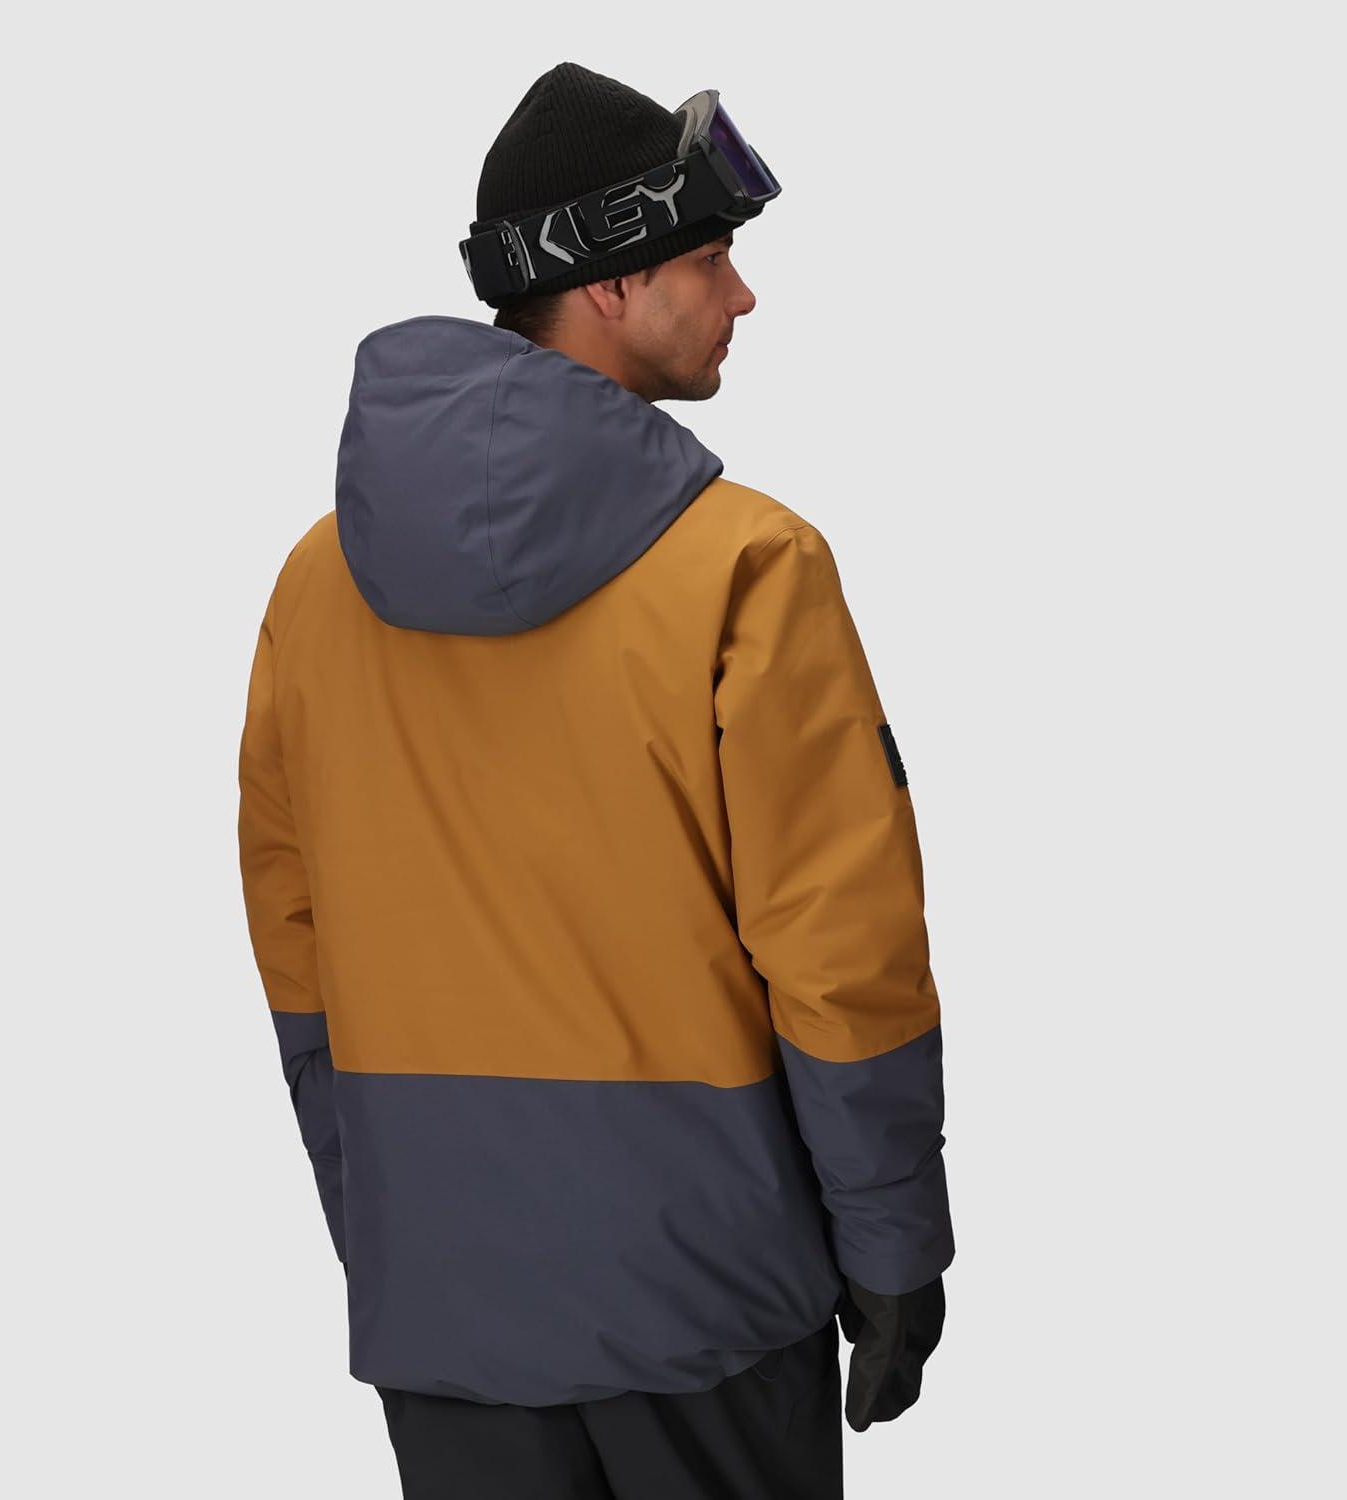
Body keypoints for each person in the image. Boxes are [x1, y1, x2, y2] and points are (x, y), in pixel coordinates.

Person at [237, 60, 954, 1500]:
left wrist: (387, 1225)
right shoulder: (749, 566)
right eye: (711, 257)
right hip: (704, 1302)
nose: (742, 295)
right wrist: (894, 1249)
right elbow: (838, 951)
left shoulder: (319, 581)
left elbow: (294, 936)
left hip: (445, 1298)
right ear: (611, 282)